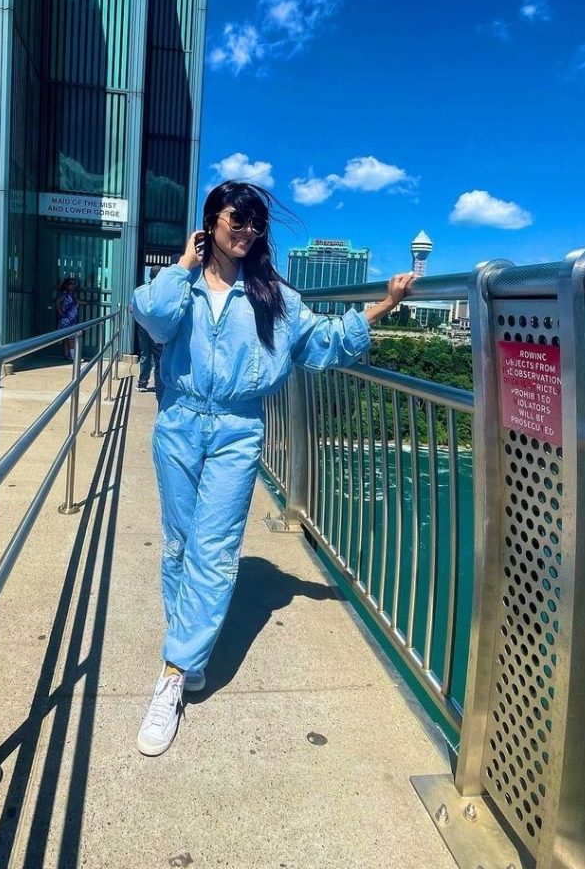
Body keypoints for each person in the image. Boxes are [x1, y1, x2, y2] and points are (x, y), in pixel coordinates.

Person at [130, 180, 414, 756]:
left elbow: (319, 343)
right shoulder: (182, 284)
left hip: (237, 429)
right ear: (211, 220)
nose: (246, 233)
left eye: (256, 225)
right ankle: (190, 655)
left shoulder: (273, 297)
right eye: (237, 221)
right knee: (179, 546)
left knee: (213, 550)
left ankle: (172, 675)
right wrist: (184, 264)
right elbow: (152, 319)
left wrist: (381, 307)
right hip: (179, 422)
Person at [136, 266, 164, 397]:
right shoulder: (163, 291)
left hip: (143, 327)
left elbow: (132, 308)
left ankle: (142, 383)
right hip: (157, 328)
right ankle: (160, 387)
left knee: (145, 355)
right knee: (159, 358)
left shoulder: (141, 290)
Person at [55, 277, 79, 360]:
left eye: (73, 284)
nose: (73, 286)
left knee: (66, 338)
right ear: (66, 285)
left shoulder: (72, 295)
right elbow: (57, 302)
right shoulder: (65, 294)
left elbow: (78, 302)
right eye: (71, 284)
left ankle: (66, 355)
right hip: (67, 320)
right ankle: (73, 356)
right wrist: (60, 312)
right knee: (71, 337)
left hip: (72, 319)